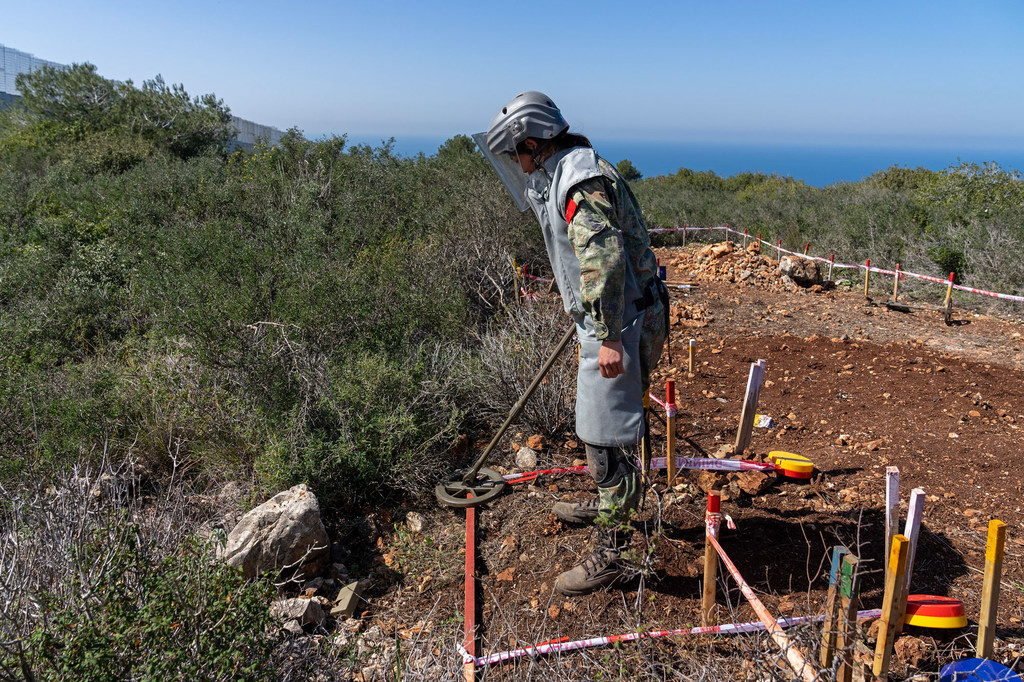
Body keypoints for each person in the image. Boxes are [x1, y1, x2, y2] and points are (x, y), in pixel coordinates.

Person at [476, 91, 668, 595]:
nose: (515, 164)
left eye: (514, 152)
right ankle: (614, 505)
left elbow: (602, 257)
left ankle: (617, 553)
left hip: (621, 323)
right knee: (607, 426)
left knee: (607, 435)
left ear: (534, 143)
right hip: (618, 317)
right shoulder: (566, 170)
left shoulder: (578, 179)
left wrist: (605, 335)